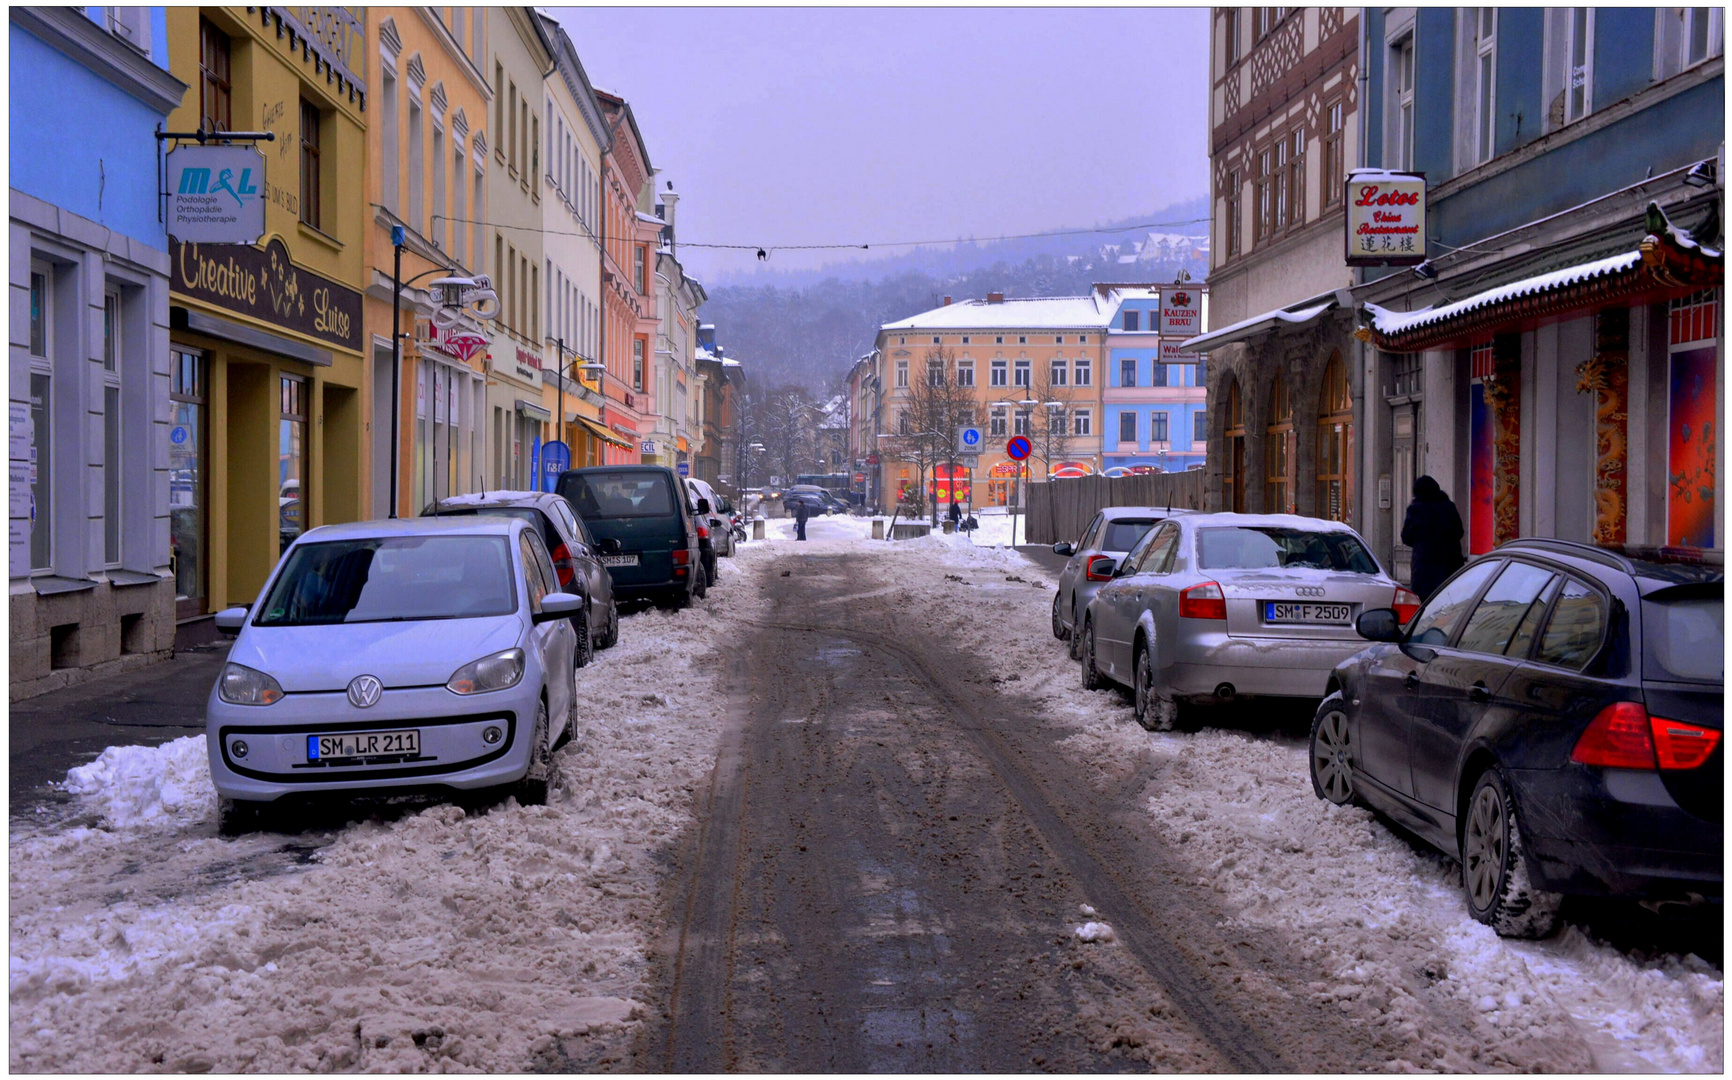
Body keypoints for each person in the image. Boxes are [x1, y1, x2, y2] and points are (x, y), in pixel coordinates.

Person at [1402, 474, 1465, 600]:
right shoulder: (1449, 507)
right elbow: (1460, 532)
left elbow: (1406, 536)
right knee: (1451, 600)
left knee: (1426, 603)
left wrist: (1421, 543)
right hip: (1450, 563)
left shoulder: (1415, 509)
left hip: (1424, 566)